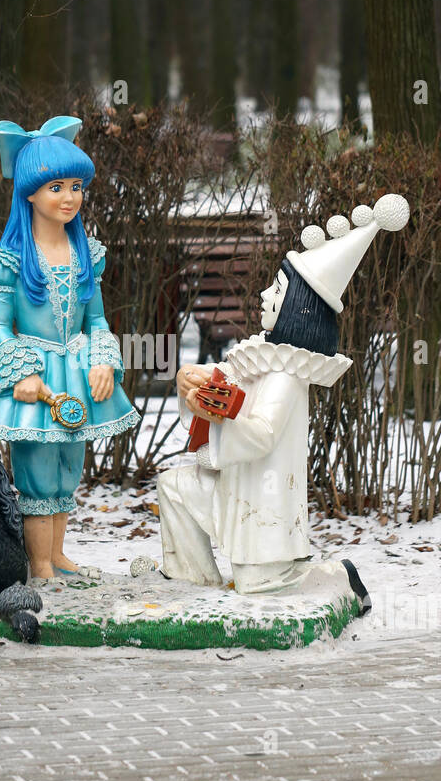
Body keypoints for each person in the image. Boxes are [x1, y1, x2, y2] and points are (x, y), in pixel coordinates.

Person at [157, 193, 410, 604]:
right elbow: (226, 389)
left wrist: (215, 411)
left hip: (261, 505)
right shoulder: (261, 357)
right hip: (233, 487)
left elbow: (259, 436)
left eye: (276, 291)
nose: (264, 296)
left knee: (261, 585)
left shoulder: (286, 375)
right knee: (174, 485)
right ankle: (193, 581)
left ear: (298, 308)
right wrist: (195, 382)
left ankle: (335, 579)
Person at [0, 116, 139, 580]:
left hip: (76, 372)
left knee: (68, 466)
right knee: (36, 471)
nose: (69, 197)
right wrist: (22, 373)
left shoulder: (86, 255)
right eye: (56, 187)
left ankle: (56, 555)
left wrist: (102, 358)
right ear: (30, 193)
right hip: (36, 380)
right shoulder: (9, 261)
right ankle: (38, 565)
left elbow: (96, 317)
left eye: (76, 186)